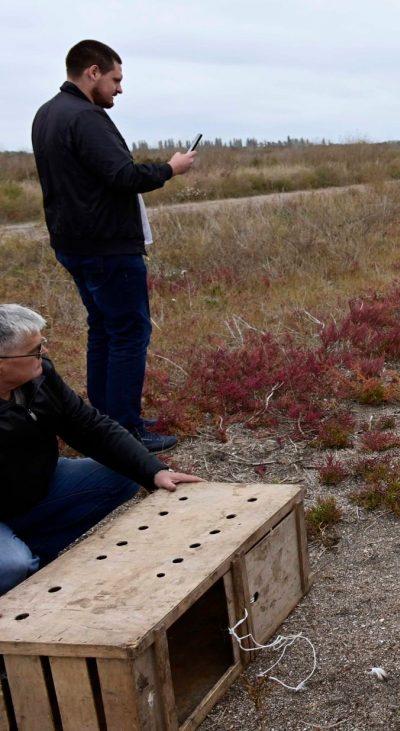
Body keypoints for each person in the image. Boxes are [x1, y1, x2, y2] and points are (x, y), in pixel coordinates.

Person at [31, 39, 197, 453]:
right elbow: (123, 176)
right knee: (127, 331)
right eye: (115, 79)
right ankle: (124, 429)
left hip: (74, 243)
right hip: (106, 247)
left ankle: (103, 420)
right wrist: (171, 168)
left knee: (104, 329)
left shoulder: (46, 114)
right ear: (92, 72)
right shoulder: (85, 117)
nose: (119, 89)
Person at [0, 304, 202, 596]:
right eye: (34, 350)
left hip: (32, 488)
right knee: (11, 566)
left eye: (42, 344)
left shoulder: (39, 377)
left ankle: (35, 556)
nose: (43, 355)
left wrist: (154, 470)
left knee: (122, 475)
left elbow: (89, 426)